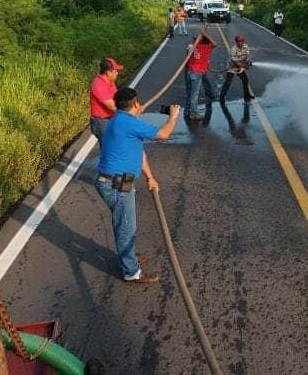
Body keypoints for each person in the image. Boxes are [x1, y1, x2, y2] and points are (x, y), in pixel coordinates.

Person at [96, 87, 180, 284]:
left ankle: (129, 257)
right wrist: (173, 116)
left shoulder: (120, 120)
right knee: (125, 226)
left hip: (117, 180)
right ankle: (131, 271)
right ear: (135, 103)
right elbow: (163, 134)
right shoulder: (128, 123)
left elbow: (138, 152)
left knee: (125, 224)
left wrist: (150, 177)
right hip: (116, 182)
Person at [185, 29, 218, 124]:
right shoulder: (207, 47)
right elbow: (215, 43)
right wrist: (205, 34)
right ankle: (194, 114)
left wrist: (201, 36)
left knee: (190, 92)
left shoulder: (191, 47)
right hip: (197, 73)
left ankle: (189, 111)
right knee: (194, 94)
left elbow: (188, 55)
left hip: (190, 72)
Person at [89, 58, 123, 144]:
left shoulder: (110, 82)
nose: (117, 73)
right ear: (108, 72)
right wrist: (129, 112)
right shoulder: (99, 85)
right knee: (108, 149)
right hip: (102, 122)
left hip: (110, 119)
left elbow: (117, 98)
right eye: (115, 71)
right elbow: (112, 106)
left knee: (115, 146)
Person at [220, 34, 253, 103]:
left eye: (242, 41)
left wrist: (248, 62)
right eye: (239, 41)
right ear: (236, 42)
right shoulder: (233, 49)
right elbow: (236, 63)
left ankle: (247, 95)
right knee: (228, 82)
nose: (240, 43)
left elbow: (247, 58)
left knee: (245, 80)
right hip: (232, 66)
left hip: (241, 66)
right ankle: (222, 96)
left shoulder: (246, 47)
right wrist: (245, 66)